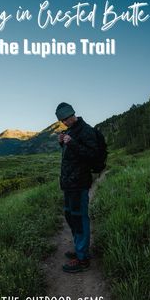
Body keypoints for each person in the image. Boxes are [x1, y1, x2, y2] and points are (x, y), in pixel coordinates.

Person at [55, 102, 99, 273]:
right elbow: (72, 155)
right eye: (62, 120)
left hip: (79, 183)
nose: (64, 122)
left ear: (72, 114)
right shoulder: (71, 131)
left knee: (79, 219)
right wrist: (63, 143)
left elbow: (92, 155)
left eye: (66, 118)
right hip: (69, 184)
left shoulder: (86, 130)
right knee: (70, 216)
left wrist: (71, 143)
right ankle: (79, 249)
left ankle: (83, 259)